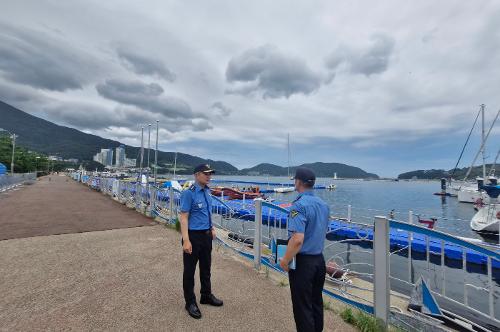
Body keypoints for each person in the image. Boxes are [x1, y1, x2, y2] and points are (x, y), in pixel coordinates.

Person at [279, 167, 330, 332]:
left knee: (302, 308)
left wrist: (285, 260)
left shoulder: (298, 206)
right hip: (319, 261)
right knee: (316, 302)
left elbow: (297, 240)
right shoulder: (323, 205)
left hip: (303, 263)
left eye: (295, 180)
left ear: (299, 182)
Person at [179, 164, 223, 319]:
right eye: (206, 173)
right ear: (197, 175)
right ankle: (190, 302)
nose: (209, 176)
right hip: (193, 236)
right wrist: (186, 240)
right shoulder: (188, 194)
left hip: (206, 236)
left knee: (206, 268)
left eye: (210, 173)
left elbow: (207, 212)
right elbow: (183, 217)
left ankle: (206, 295)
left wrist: (211, 228)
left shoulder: (207, 191)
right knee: (189, 271)